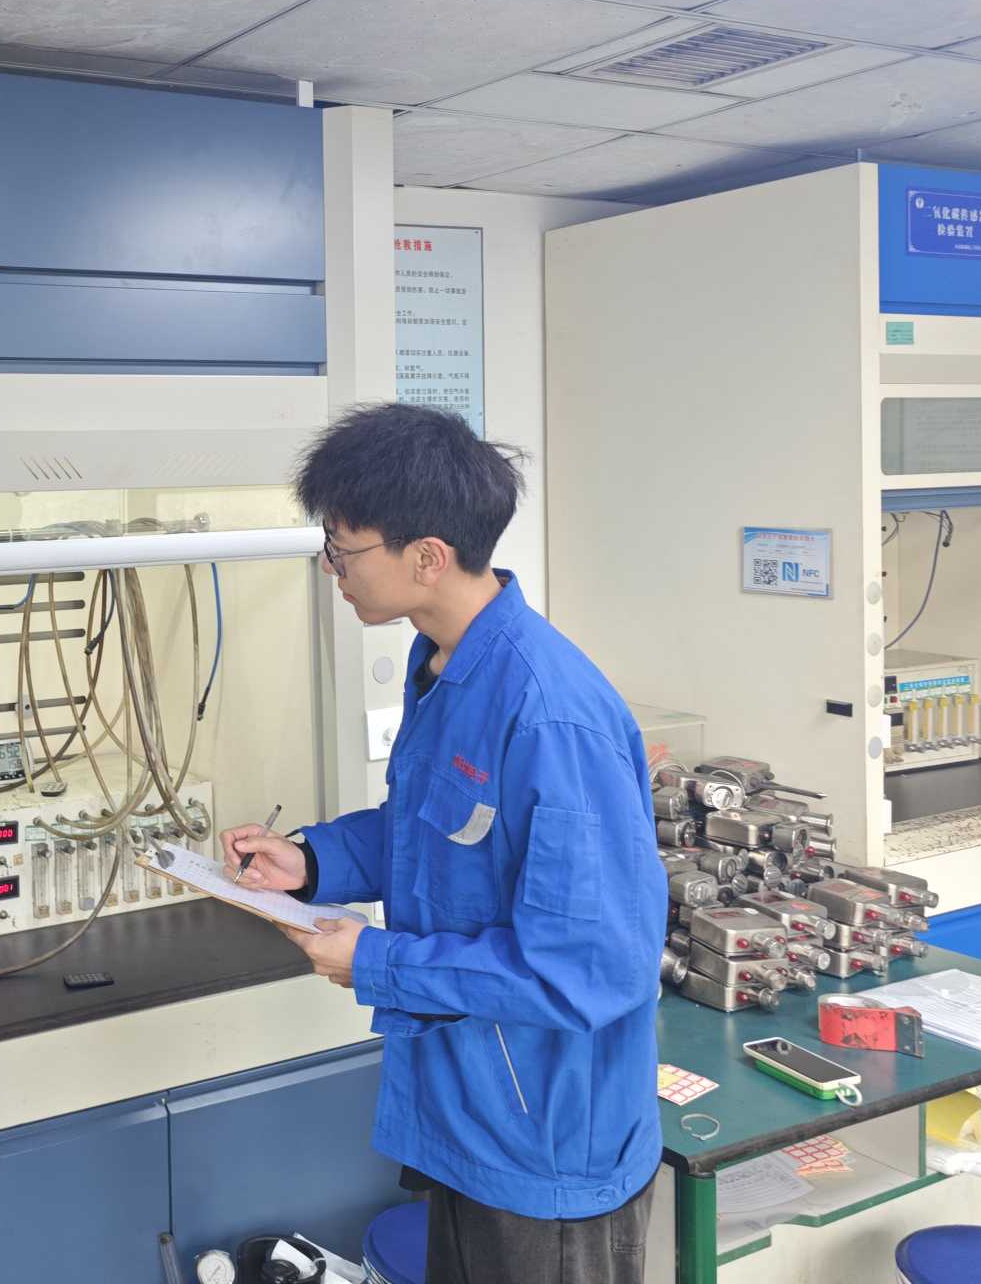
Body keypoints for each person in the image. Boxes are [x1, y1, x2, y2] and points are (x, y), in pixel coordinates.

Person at [223, 402, 666, 1284]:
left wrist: (377, 960)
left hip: (546, 1145)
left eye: (342, 549)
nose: (332, 570)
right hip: (467, 1114)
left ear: (426, 557)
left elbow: (590, 969)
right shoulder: (445, 667)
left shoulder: (549, 714)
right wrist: (312, 862)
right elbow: (434, 834)